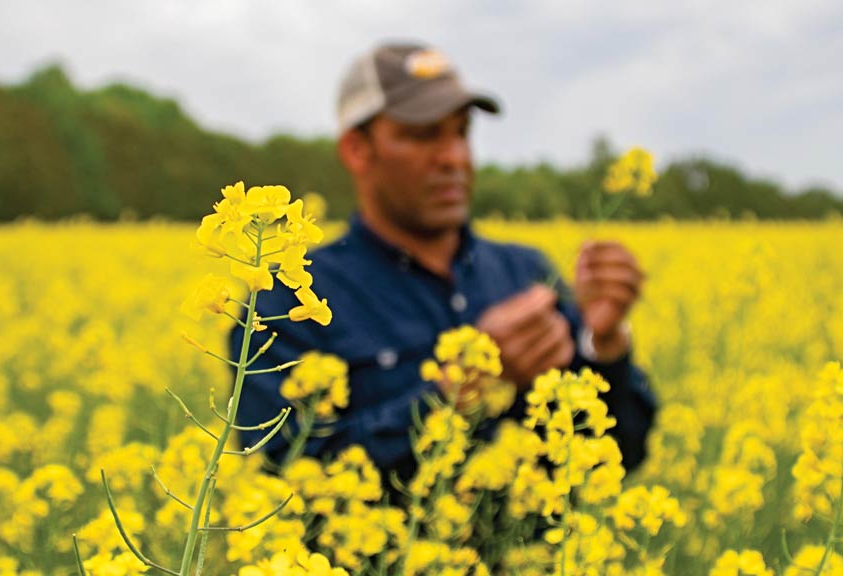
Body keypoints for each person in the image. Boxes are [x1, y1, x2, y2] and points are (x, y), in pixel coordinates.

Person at [231, 42, 656, 479]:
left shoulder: (527, 273)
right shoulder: (287, 299)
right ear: (358, 150)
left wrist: (602, 345)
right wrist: (463, 387)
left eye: (461, 132)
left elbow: (621, 455)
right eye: (422, 134)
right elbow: (280, 478)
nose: (454, 157)